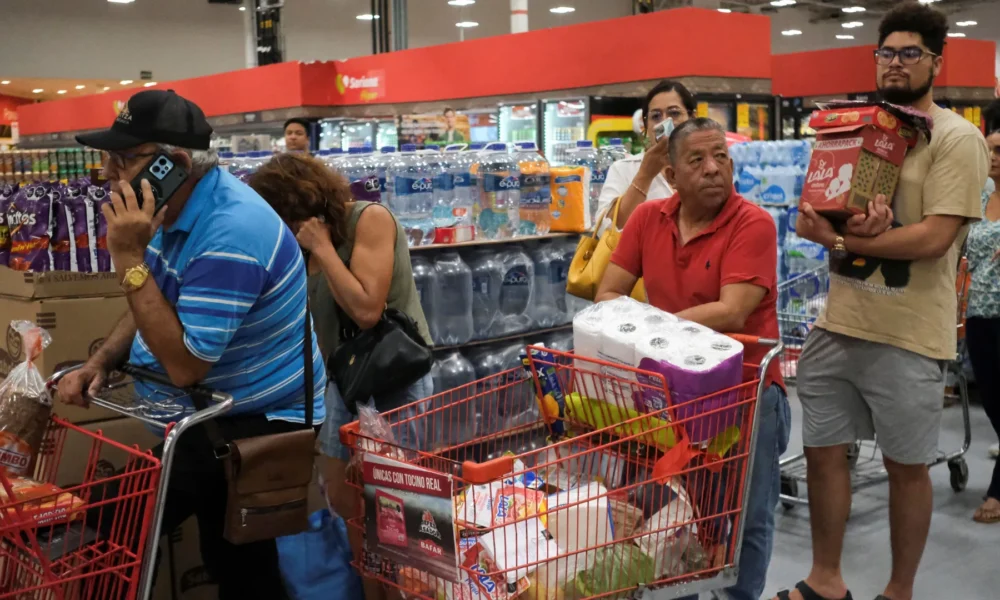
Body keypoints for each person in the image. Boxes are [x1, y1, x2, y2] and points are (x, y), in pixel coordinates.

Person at [56, 90, 326, 599]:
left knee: (139, 522)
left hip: (257, 419)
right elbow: (154, 300)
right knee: (228, 555)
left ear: (172, 164)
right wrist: (101, 360)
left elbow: (185, 366)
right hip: (212, 411)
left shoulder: (230, 232)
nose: (108, 173)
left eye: (122, 160)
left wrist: (128, 254)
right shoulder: (173, 212)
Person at [773, 3, 989, 600]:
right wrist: (822, 223)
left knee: (906, 466)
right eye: (886, 52)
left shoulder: (957, 139)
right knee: (821, 452)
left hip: (909, 331)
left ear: (936, 63)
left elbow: (935, 236)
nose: (895, 64)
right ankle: (826, 579)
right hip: (840, 320)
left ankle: (898, 590)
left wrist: (842, 238)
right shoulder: (860, 128)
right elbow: (828, 215)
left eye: (910, 53)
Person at [596, 117, 790, 600]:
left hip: (744, 394)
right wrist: (654, 339)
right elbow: (607, 294)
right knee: (670, 515)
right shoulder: (647, 219)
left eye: (721, 157)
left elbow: (733, 310)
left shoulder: (753, 224)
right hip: (669, 397)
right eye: (697, 160)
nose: (712, 169)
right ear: (672, 175)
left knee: (746, 518)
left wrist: (650, 331)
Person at [248, 153, 433, 600]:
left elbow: (368, 310)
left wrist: (325, 249)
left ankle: (404, 592)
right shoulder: (291, 245)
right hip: (341, 385)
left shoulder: (369, 219)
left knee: (394, 514)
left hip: (393, 379)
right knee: (345, 502)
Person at [596, 79, 695, 230]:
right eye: (655, 116)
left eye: (674, 113)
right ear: (646, 126)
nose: (665, 122)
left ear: (691, 118)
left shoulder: (704, 166)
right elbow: (604, 230)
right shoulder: (624, 169)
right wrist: (645, 174)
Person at [966, 118, 1000, 523]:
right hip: (978, 311)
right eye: (989, 150)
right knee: (992, 401)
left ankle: (997, 488)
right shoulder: (978, 194)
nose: (993, 158)